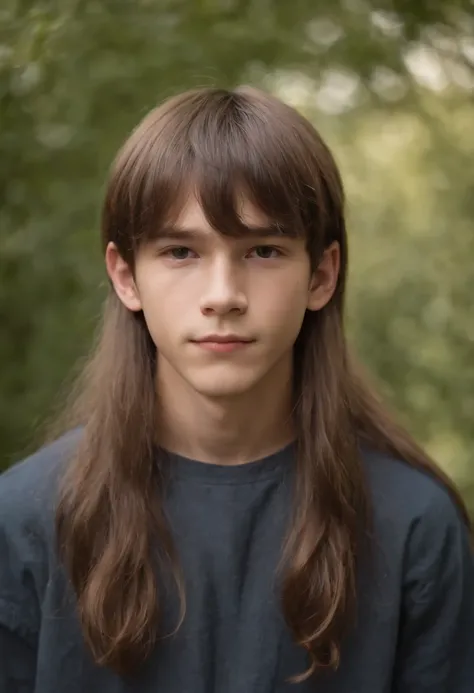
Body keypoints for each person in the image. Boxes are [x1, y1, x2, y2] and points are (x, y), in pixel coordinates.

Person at [0, 86, 473, 693]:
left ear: (321, 275)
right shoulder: (24, 523)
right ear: (126, 277)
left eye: (264, 250)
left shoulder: (414, 528)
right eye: (180, 252)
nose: (223, 294)